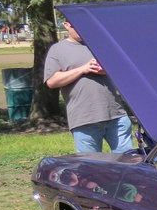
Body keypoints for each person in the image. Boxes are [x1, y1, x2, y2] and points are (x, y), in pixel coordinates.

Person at [44, 18, 134, 153]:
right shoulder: (57, 50)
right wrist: (83, 69)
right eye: (76, 26)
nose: (81, 30)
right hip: (84, 119)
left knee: (128, 164)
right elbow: (52, 81)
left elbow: (123, 70)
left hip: (116, 116)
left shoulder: (100, 45)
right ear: (66, 25)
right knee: (90, 167)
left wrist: (106, 70)